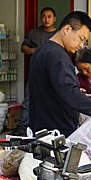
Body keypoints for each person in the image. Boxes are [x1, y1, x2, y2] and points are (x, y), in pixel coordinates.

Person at [28, 11, 91, 137]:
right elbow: (69, 93)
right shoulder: (58, 56)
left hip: (41, 128)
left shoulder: (42, 51)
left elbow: (54, 89)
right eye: (81, 39)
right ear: (67, 29)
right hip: (56, 133)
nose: (81, 45)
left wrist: (75, 90)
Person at [15, 7, 57, 136]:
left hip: (53, 72)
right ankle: (22, 126)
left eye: (49, 16)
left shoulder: (59, 33)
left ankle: (48, 128)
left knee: (52, 100)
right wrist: (36, 50)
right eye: (44, 16)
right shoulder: (34, 33)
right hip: (35, 72)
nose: (46, 19)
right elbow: (23, 48)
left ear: (54, 19)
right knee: (29, 99)